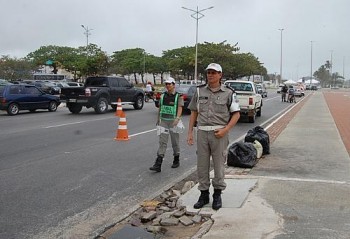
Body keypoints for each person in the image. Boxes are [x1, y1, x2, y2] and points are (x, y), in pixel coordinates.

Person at [187, 63, 240, 210]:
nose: (210, 75)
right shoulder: (199, 91)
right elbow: (193, 112)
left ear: (220, 75)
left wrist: (226, 130)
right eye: (208, 72)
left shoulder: (229, 93)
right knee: (202, 166)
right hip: (202, 132)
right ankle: (204, 194)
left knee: (218, 166)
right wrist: (190, 132)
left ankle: (217, 195)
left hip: (219, 134)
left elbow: (236, 114)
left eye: (214, 72)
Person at [149, 77, 184, 172]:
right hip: (163, 121)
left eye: (169, 84)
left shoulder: (178, 96)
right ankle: (158, 164)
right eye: (166, 84)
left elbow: (180, 108)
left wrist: (177, 118)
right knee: (162, 142)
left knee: (175, 142)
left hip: (174, 122)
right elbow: (160, 108)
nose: (168, 86)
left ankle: (176, 159)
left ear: (173, 85)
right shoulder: (163, 95)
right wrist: (158, 119)